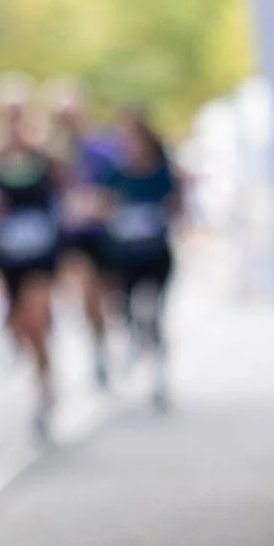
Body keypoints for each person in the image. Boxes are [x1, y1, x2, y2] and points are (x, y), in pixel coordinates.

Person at [0, 79, 62, 437]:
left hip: (39, 249)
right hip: (6, 252)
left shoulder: (44, 148)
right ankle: (23, 352)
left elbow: (64, 187)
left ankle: (45, 388)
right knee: (19, 321)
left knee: (38, 318)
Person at [96, 104, 183, 411]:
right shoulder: (115, 175)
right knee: (126, 311)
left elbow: (176, 205)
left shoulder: (162, 170)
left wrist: (161, 215)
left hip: (155, 252)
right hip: (125, 255)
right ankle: (135, 344)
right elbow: (102, 207)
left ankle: (158, 374)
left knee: (153, 312)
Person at [43, 78, 118, 389]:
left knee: (103, 294)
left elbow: (117, 181)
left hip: (100, 231)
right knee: (83, 291)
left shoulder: (99, 146)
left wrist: (102, 202)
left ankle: (103, 340)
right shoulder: (50, 152)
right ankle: (93, 350)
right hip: (69, 234)